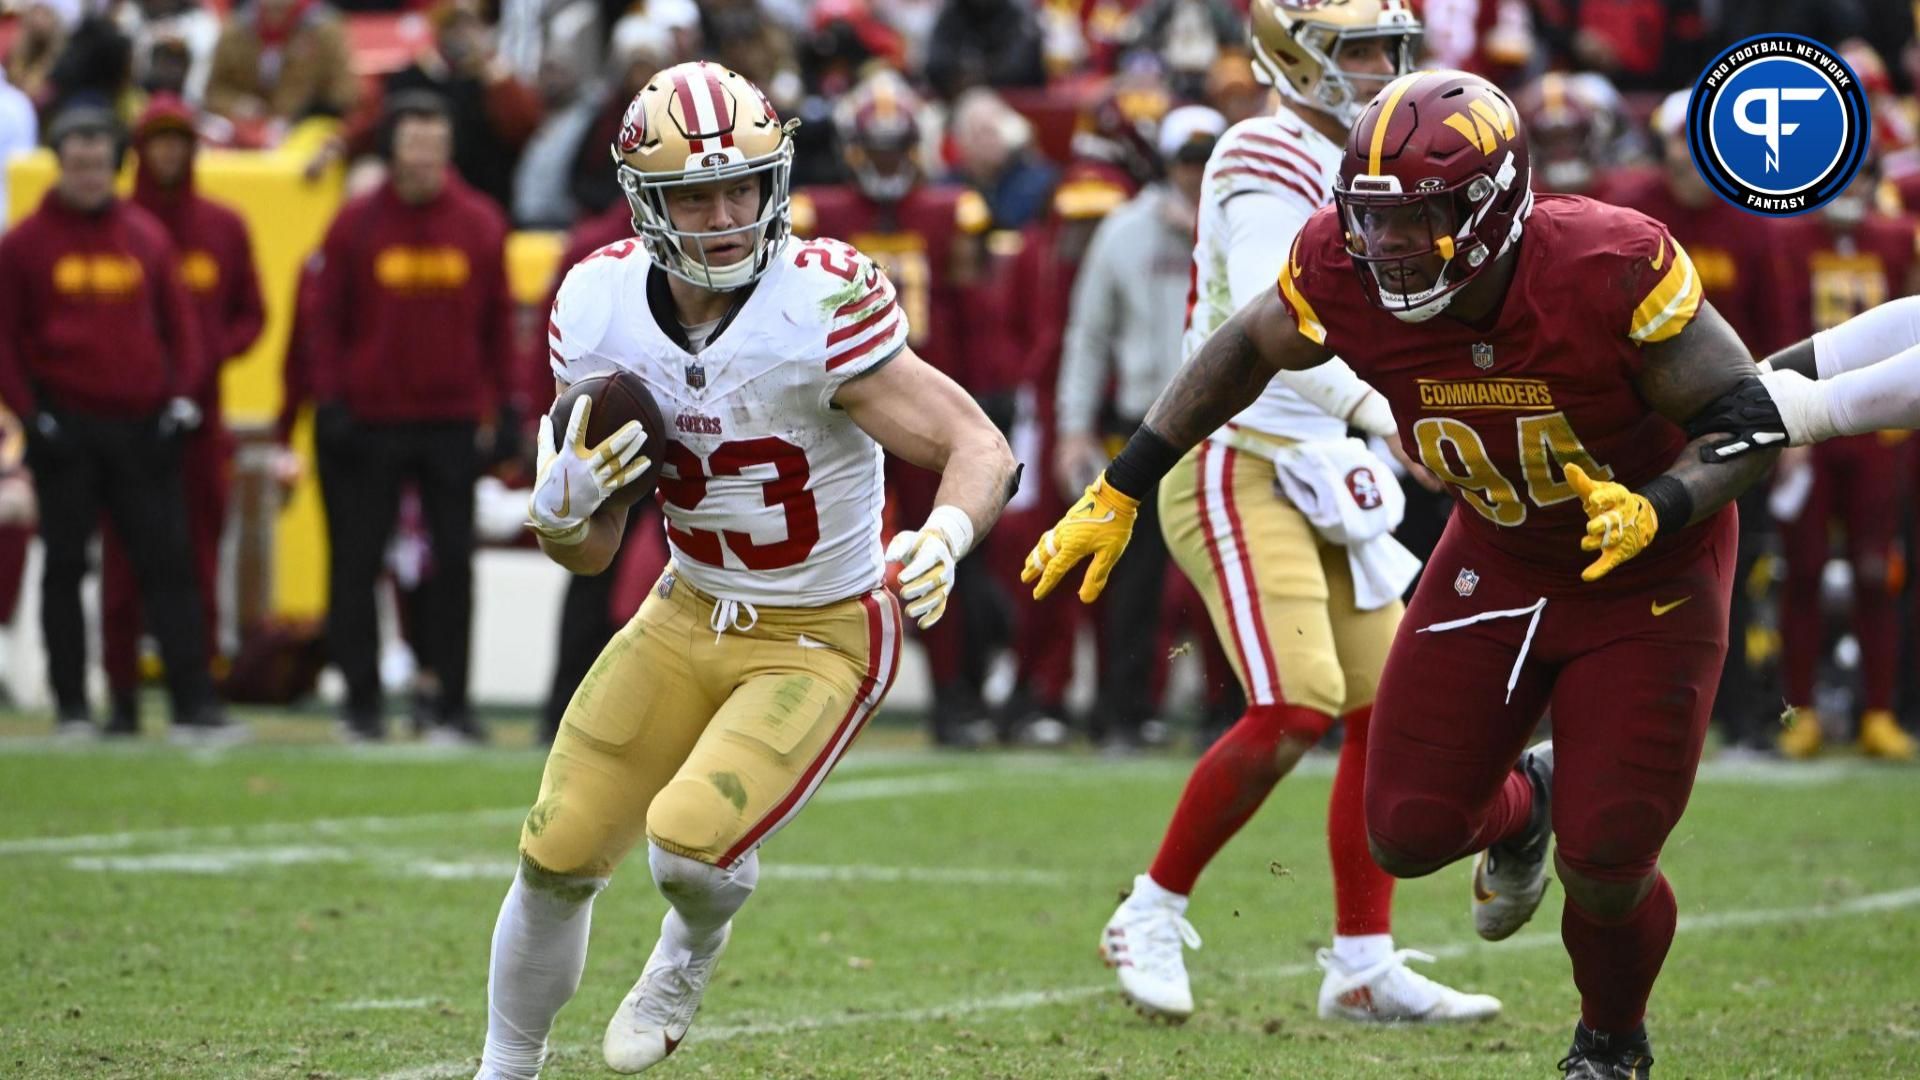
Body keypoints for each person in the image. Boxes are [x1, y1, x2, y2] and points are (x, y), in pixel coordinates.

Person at [1025, 70, 1787, 1076]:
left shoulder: (1609, 261)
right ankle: (1530, 797)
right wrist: (1124, 484)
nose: (1386, 246)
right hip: (1502, 551)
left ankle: (1610, 1041)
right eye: (1372, 218)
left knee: (1606, 860)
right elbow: (1247, 342)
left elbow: (1751, 426)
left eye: (1419, 219)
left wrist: (1664, 504)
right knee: (1412, 831)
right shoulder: (1337, 265)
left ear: (1494, 206)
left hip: (1646, 565)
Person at [473, 61, 1016, 1079]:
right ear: (647, 202)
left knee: (686, 845)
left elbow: (977, 445)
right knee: (555, 849)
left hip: (822, 630)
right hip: (686, 611)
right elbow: (593, 553)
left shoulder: (821, 302)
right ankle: (504, 1068)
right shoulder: (596, 306)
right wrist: (562, 514)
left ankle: (689, 948)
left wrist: (942, 539)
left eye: (742, 187)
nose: (725, 215)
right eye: (694, 194)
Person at [1095, 0, 1497, 1026]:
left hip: (1328, 461)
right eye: (1355, 49)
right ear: (1291, 56)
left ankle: (1361, 962)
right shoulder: (1261, 150)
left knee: (1385, 710)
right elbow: (1286, 324)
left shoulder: (1394, 155)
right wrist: (1385, 412)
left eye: (1388, 48)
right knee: (1294, 701)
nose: (1376, 67)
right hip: (1233, 451)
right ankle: (1148, 910)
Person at [0, 106, 233, 741]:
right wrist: (31, 414)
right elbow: (6, 341)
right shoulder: (23, 245)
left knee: (168, 565)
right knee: (66, 567)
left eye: (98, 163)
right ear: (58, 164)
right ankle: (74, 704)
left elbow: (182, 331)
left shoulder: (146, 238)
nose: (88, 175)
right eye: (76, 163)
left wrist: (180, 401)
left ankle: (192, 704)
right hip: (65, 427)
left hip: (141, 427)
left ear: (114, 166)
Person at [792, 68, 999, 746]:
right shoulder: (818, 214)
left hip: (924, 408)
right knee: (827, 558)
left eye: (894, 148)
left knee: (940, 554)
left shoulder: (950, 212)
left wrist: (978, 406)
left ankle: (955, 698)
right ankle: (806, 699)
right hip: (839, 413)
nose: (885, 162)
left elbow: (971, 321)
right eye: (873, 149)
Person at [310, 91, 516, 743]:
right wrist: (331, 399)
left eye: (436, 147)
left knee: (454, 563)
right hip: (369, 420)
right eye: (414, 146)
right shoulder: (354, 224)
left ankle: (450, 701)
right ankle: (361, 702)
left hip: (450, 420)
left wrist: (507, 409)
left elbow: (497, 329)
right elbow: (323, 321)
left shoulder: (481, 223)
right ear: (392, 151)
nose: (425, 160)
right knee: (355, 561)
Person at [1054, 103, 1222, 751]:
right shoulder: (1124, 232)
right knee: (1131, 578)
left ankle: (1229, 714)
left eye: (1207, 159)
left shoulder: (1239, 227)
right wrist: (1074, 426)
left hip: (1219, 424)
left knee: (1224, 575)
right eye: (1187, 159)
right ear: (1165, 163)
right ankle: (1120, 712)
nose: (1196, 172)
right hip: (1144, 424)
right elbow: (1088, 336)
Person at [99, 94, 263, 733]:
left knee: (197, 556)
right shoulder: (118, 224)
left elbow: (252, 313)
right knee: (122, 561)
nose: (168, 153)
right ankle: (118, 691)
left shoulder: (222, 227)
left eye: (179, 140)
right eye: (157, 140)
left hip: (198, 422)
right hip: (130, 420)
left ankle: (198, 688)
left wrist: (204, 360)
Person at [1768, 168, 1919, 762]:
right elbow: (1783, 325)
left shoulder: (1896, 236)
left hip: (1880, 429)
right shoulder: (1790, 237)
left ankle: (1877, 711)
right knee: (1801, 567)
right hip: (1808, 419)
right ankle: (1799, 711)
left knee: (1876, 570)